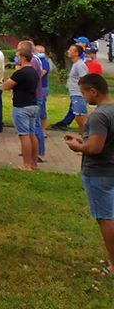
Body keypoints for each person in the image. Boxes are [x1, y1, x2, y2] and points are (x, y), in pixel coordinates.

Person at [64, 74, 114, 278]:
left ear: (94, 91)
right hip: (111, 170)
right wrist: (82, 139)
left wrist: (78, 146)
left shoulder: (98, 116)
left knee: (105, 218)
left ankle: (113, 264)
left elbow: (95, 147)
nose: (83, 97)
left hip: (98, 172)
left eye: (84, 92)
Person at [4, 45, 40, 171]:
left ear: (23, 57)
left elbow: (7, 86)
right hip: (33, 104)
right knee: (32, 134)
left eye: (18, 56)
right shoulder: (34, 72)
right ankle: (34, 163)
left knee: (24, 135)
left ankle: (26, 164)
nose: (16, 58)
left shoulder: (20, 73)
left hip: (21, 106)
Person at [52, 44, 90, 132]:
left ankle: (87, 135)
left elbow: (84, 79)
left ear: (76, 53)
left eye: (70, 50)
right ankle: (67, 125)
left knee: (80, 117)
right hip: (74, 93)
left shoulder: (79, 65)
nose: (68, 51)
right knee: (76, 114)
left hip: (78, 94)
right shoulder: (75, 64)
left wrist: (82, 93)